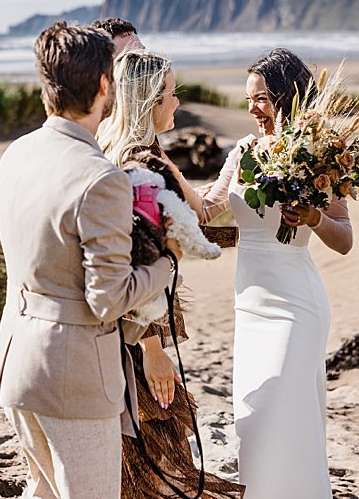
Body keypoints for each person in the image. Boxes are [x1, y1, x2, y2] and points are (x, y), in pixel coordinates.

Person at [0, 22, 177, 498]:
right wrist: (167, 262)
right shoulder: (100, 178)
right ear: (102, 85)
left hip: (17, 359)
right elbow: (109, 299)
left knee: (44, 492)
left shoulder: (16, 153)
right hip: (73, 377)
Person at [196, 47, 353, 498]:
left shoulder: (316, 153)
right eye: (249, 99)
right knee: (256, 416)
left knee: (287, 411)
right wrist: (160, 172)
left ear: (287, 96)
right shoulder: (244, 151)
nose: (251, 109)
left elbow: (344, 238)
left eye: (261, 98)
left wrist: (311, 218)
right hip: (250, 303)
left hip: (296, 303)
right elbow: (209, 207)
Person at [96, 50, 243, 498]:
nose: (177, 104)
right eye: (171, 94)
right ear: (148, 100)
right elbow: (139, 257)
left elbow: (196, 214)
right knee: (159, 460)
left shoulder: (115, 142)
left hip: (127, 326)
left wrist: (233, 168)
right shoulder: (140, 161)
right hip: (143, 327)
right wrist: (153, 349)